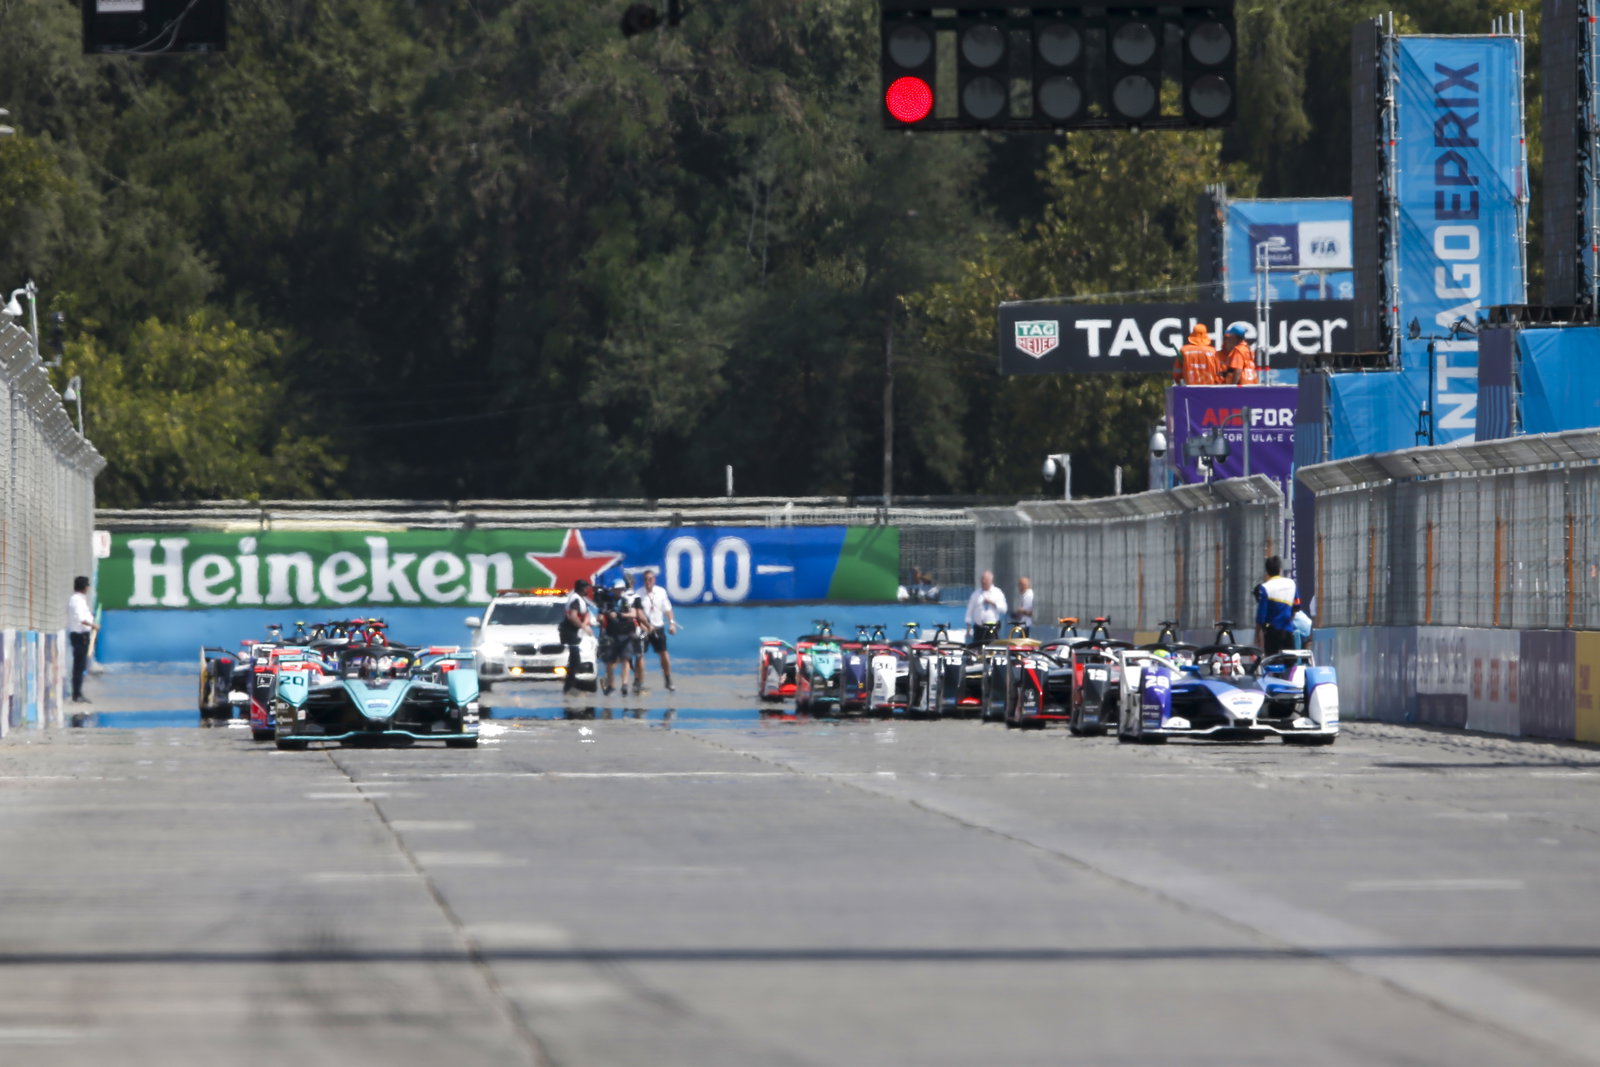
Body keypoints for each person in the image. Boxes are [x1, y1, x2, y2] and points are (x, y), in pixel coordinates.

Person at [635, 568, 678, 694]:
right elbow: (636, 614)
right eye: (645, 579)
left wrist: (671, 623)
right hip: (644, 628)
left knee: (663, 653)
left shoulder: (660, 592)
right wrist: (642, 626)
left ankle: (668, 679)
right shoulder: (638, 593)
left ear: (654, 580)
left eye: (650, 579)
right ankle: (639, 682)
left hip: (657, 627)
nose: (648, 582)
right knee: (640, 656)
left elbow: (668, 609)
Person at [600, 578, 641, 696]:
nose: (618, 592)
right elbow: (601, 615)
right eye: (616, 590)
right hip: (611, 634)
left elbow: (633, 614)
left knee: (626, 659)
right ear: (613, 590)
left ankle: (624, 684)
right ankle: (611, 685)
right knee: (608, 661)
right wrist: (603, 616)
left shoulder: (626, 601)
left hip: (625, 633)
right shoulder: (607, 602)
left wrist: (619, 614)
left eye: (620, 590)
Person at [1254, 556, 1298, 655]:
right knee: (1289, 664)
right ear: (1280, 569)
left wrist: (1257, 635)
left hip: (1271, 633)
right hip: (1287, 631)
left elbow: (1261, 617)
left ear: (1267, 572)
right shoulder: (1291, 584)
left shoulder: (1265, 588)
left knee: (1272, 662)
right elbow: (1296, 606)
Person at [561, 579, 595, 695]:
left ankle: (570, 685)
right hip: (571, 632)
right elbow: (573, 616)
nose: (587, 589)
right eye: (586, 587)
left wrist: (585, 623)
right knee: (575, 661)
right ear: (581, 588)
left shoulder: (579, 599)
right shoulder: (575, 599)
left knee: (575, 661)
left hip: (574, 632)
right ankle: (569, 686)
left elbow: (586, 614)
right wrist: (583, 627)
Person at [67, 575, 98, 704]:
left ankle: (78, 693)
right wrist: (93, 625)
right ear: (85, 587)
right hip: (80, 635)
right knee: (79, 666)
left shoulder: (79, 599)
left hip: (81, 635)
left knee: (80, 665)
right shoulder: (77, 600)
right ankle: (77, 694)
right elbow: (81, 619)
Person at [964, 570, 1008, 645]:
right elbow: (969, 610)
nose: (983, 582)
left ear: (991, 581)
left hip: (992, 628)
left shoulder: (997, 592)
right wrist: (968, 627)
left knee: (991, 647)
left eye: (986, 580)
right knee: (977, 647)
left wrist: (993, 603)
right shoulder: (976, 594)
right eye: (982, 579)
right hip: (979, 628)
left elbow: (1004, 609)